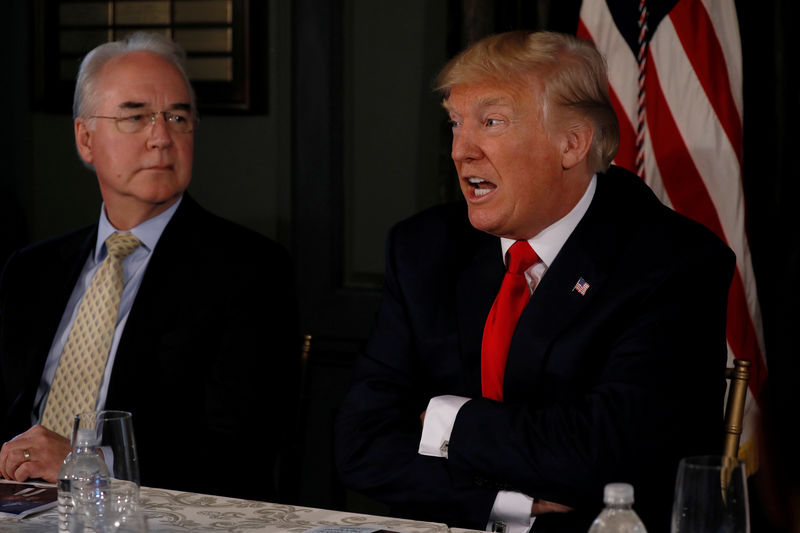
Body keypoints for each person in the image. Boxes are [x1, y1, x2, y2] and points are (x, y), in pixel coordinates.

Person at [335, 30, 734, 533]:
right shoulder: (423, 248)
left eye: (491, 122)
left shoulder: (675, 263)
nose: (461, 151)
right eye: (456, 124)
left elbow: (608, 455)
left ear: (571, 143)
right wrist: (509, 499)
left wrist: (444, 421)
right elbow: (361, 444)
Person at [0, 32, 299, 502]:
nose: (161, 138)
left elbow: (239, 451)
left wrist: (84, 465)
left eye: (178, 117)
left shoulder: (250, 271)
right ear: (85, 139)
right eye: (135, 117)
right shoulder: (31, 270)